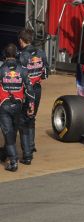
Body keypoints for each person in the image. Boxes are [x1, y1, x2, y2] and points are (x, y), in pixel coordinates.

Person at [0, 43, 34, 171]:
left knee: (8, 133)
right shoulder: (24, 69)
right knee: (14, 130)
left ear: (5, 54)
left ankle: (13, 162)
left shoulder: (1, 69)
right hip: (18, 106)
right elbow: (30, 90)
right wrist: (30, 106)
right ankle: (13, 155)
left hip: (4, 106)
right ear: (17, 54)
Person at [18, 29, 49, 164]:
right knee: (32, 117)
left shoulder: (22, 55)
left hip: (26, 92)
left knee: (23, 120)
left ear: (21, 40)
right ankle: (31, 145)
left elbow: (18, 77)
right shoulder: (41, 53)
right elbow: (46, 73)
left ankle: (27, 153)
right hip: (37, 90)